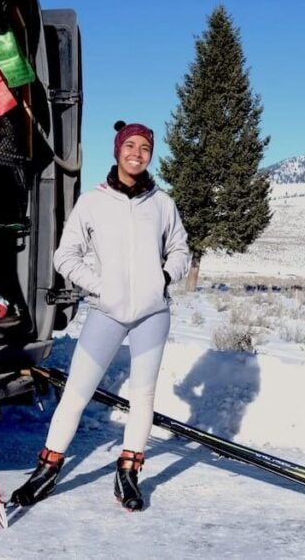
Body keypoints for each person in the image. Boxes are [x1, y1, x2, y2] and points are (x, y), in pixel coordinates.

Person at [11, 121, 190, 511]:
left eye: (145, 147)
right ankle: (47, 469)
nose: (137, 153)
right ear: (117, 150)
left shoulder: (162, 204)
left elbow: (180, 251)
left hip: (152, 314)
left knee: (142, 396)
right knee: (76, 392)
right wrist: (99, 285)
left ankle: (128, 472)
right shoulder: (93, 201)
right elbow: (64, 255)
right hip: (106, 312)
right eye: (131, 145)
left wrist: (161, 277)